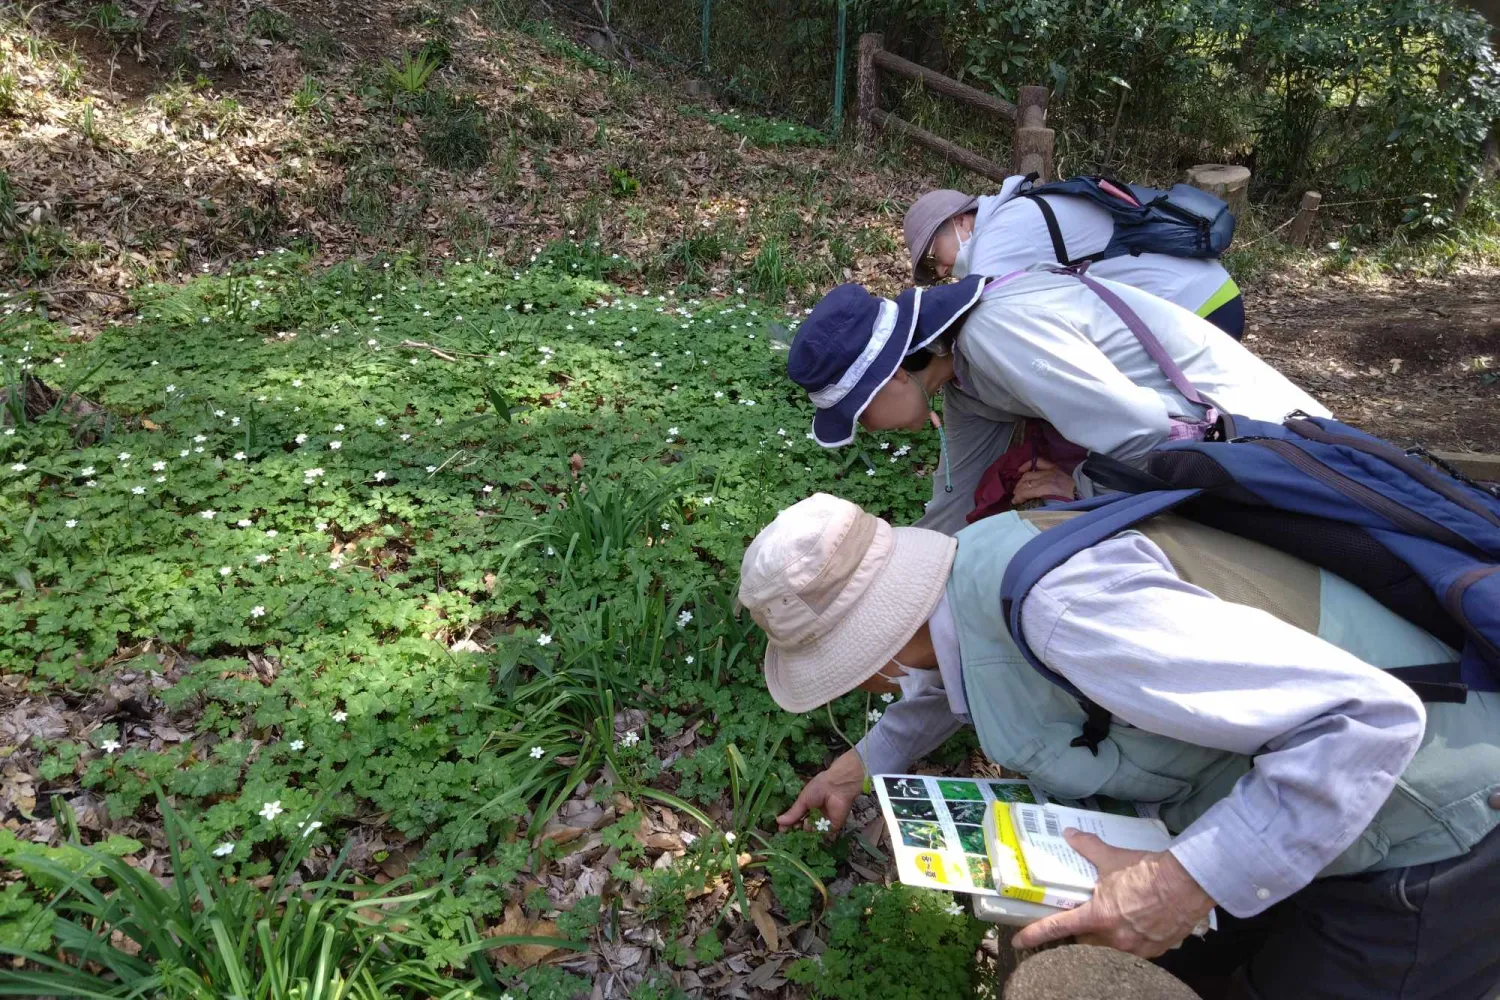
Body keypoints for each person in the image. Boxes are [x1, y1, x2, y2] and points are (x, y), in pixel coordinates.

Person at [737, 492, 1500, 999]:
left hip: (1428, 817)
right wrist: (861, 764)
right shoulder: (977, 563)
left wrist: (1176, 884)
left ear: (871, 659)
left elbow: (1365, 719)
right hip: (1287, 807)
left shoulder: (1069, 613)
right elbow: (949, 672)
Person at [788, 266, 1328, 535]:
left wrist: (1080, 487)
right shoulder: (960, 374)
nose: (869, 430)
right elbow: (957, 498)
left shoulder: (996, 336)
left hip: (1277, 441)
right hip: (1218, 448)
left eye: (860, 416)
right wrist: (905, 572)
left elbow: (1145, 430)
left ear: (890, 379)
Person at [904, 178, 1246, 339]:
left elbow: (975, 318)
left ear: (961, 220)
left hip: (1193, 308)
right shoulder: (1015, 215)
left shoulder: (1000, 234)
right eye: (934, 272)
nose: (944, 270)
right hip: (1205, 296)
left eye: (936, 257)